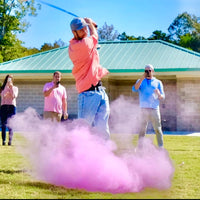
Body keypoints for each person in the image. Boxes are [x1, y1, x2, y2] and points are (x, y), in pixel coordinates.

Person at [68, 17, 110, 140]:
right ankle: (75, 157)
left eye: (85, 28)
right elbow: (95, 36)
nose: (84, 31)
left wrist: (91, 25)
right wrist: (91, 24)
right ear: (74, 33)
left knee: (103, 130)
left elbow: (93, 36)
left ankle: (104, 157)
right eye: (81, 30)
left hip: (100, 91)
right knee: (83, 130)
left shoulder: (86, 42)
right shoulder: (80, 45)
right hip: (88, 94)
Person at [132, 64, 165, 148]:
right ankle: (140, 147)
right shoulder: (140, 81)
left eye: (149, 70)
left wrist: (158, 93)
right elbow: (135, 89)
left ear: (153, 71)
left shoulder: (158, 82)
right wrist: (142, 78)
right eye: (146, 71)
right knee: (142, 130)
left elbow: (162, 97)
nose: (148, 72)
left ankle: (160, 147)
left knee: (158, 129)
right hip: (143, 109)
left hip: (154, 109)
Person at [0, 75, 18, 146]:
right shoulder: (3, 88)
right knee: (3, 124)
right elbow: (3, 95)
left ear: (12, 80)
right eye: (8, 79)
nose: (9, 80)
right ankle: (3, 141)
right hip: (4, 106)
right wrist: (6, 89)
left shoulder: (15, 88)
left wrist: (11, 88)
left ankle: (10, 141)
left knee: (11, 125)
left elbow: (14, 96)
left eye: (10, 79)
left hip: (12, 106)